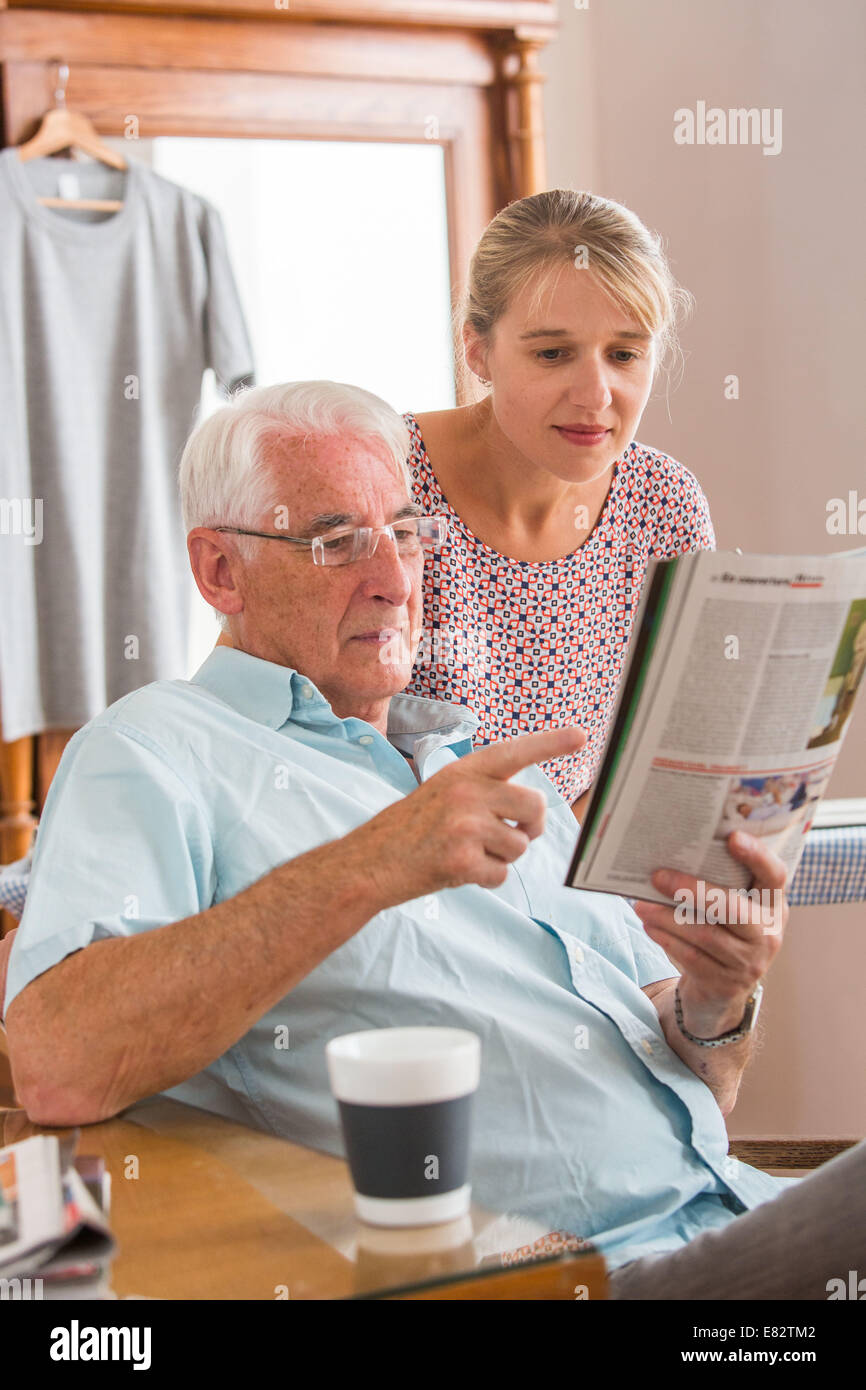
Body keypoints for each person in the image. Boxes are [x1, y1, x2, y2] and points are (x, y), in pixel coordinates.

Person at [4, 382, 863, 1300]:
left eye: (407, 533)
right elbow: (61, 1064)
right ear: (220, 572)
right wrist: (376, 861)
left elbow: (704, 1088)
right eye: (336, 540)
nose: (395, 579)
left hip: (733, 1209)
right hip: (575, 1279)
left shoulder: (495, 765)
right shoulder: (152, 749)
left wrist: (719, 996)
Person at [403, 190, 715, 821]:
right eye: (552, 353)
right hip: (400, 879)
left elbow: (656, 752)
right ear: (478, 351)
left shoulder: (665, 506)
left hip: (563, 884)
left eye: (624, 354)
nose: (596, 394)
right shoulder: (382, 481)